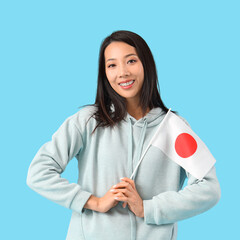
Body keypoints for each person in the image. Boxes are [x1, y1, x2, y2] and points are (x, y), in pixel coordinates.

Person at [27, 30, 221, 240]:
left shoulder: (173, 127)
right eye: (112, 65)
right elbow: (38, 172)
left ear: (146, 64)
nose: (122, 72)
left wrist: (148, 209)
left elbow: (209, 189)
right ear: (105, 73)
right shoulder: (88, 121)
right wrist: (94, 202)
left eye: (131, 61)